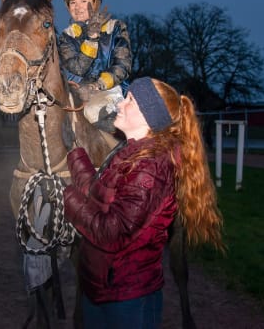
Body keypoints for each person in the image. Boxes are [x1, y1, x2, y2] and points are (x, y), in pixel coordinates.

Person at [63, 77, 224, 328]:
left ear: (149, 117)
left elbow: (111, 232)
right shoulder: (129, 152)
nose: (119, 104)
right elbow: (99, 193)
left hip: (126, 301)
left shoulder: (150, 167)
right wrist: (75, 155)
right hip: (103, 290)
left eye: (130, 100)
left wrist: (68, 199)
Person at [58, 0, 132, 132]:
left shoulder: (116, 27)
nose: (77, 7)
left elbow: (123, 66)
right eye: (72, 3)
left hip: (112, 92)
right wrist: (91, 40)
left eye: (83, 1)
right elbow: (77, 69)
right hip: (77, 95)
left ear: (95, 2)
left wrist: (99, 85)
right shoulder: (66, 36)